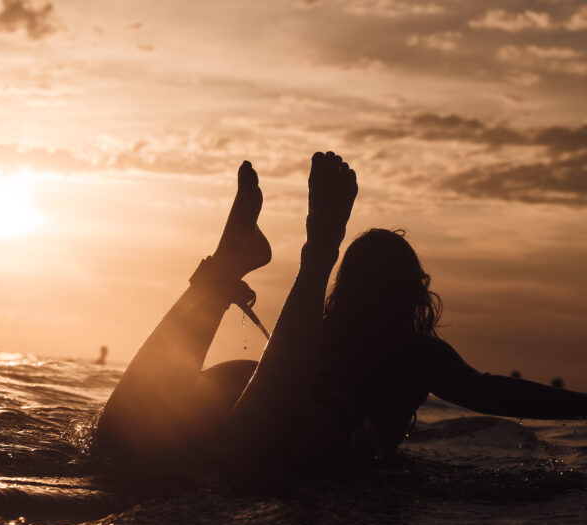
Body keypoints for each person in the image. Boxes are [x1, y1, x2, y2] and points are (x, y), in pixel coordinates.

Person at [94, 152, 587, 475]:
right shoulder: (416, 355)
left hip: (239, 383)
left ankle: (222, 273)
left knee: (118, 443)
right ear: (413, 296)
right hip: (312, 417)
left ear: (343, 291)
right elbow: (493, 391)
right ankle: (317, 252)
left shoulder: (313, 333)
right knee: (239, 466)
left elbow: (279, 374)